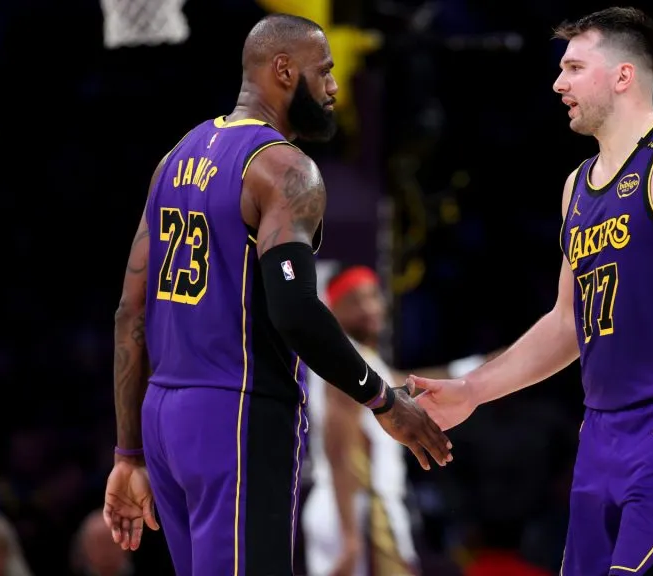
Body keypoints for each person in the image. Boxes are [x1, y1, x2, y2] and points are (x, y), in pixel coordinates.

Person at [411, 7, 653, 575]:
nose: (558, 84)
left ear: (622, 75)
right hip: (601, 431)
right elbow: (567, 322)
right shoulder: (577, 187)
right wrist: (473, 390)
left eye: (574, 68)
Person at [102, 14, 452, 576]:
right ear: (284, 70)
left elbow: (129, 314)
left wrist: (128, 454)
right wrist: (384, 402)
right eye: (325, 71)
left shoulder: (174, 159)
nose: (333, 86)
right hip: (235, 411)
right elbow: (295, 310)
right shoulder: (284, 168)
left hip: (162, 419)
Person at [302, 264, 493, 576]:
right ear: (334, 309)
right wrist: (351, 538)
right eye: (355, 301)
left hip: (360, 509)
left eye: (372, 297)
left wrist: (491, 367)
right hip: (355, 510)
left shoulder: (365, 361)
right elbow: (339, 452)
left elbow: (418, 382)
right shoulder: (344, 363)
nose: (369, 308)